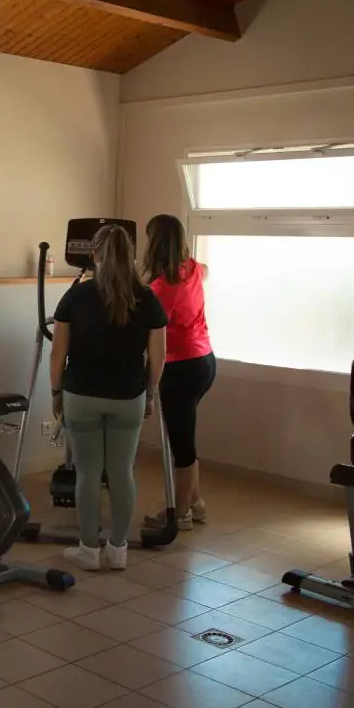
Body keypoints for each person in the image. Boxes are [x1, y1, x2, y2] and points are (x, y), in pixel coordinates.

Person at [50, 224, 167, 571]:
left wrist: (56, 394)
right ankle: (118, 549)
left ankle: (89, 548)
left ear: (95, 255)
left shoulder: (76, 296)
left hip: (81, 394)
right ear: (130, 256)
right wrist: (149, 394)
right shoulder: (147, 299)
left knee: (87, 473)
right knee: (121, 472)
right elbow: (158, 357)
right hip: (127, 396)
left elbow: (58, 354)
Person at [142, 213, 216, 532]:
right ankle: (196, 502)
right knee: (186, 432)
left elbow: (152, 334)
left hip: (180, 366)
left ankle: (181, 511)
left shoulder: (161, 288)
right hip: (205, 361)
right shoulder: (194, 270)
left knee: (181, 442)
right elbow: (207, 272)